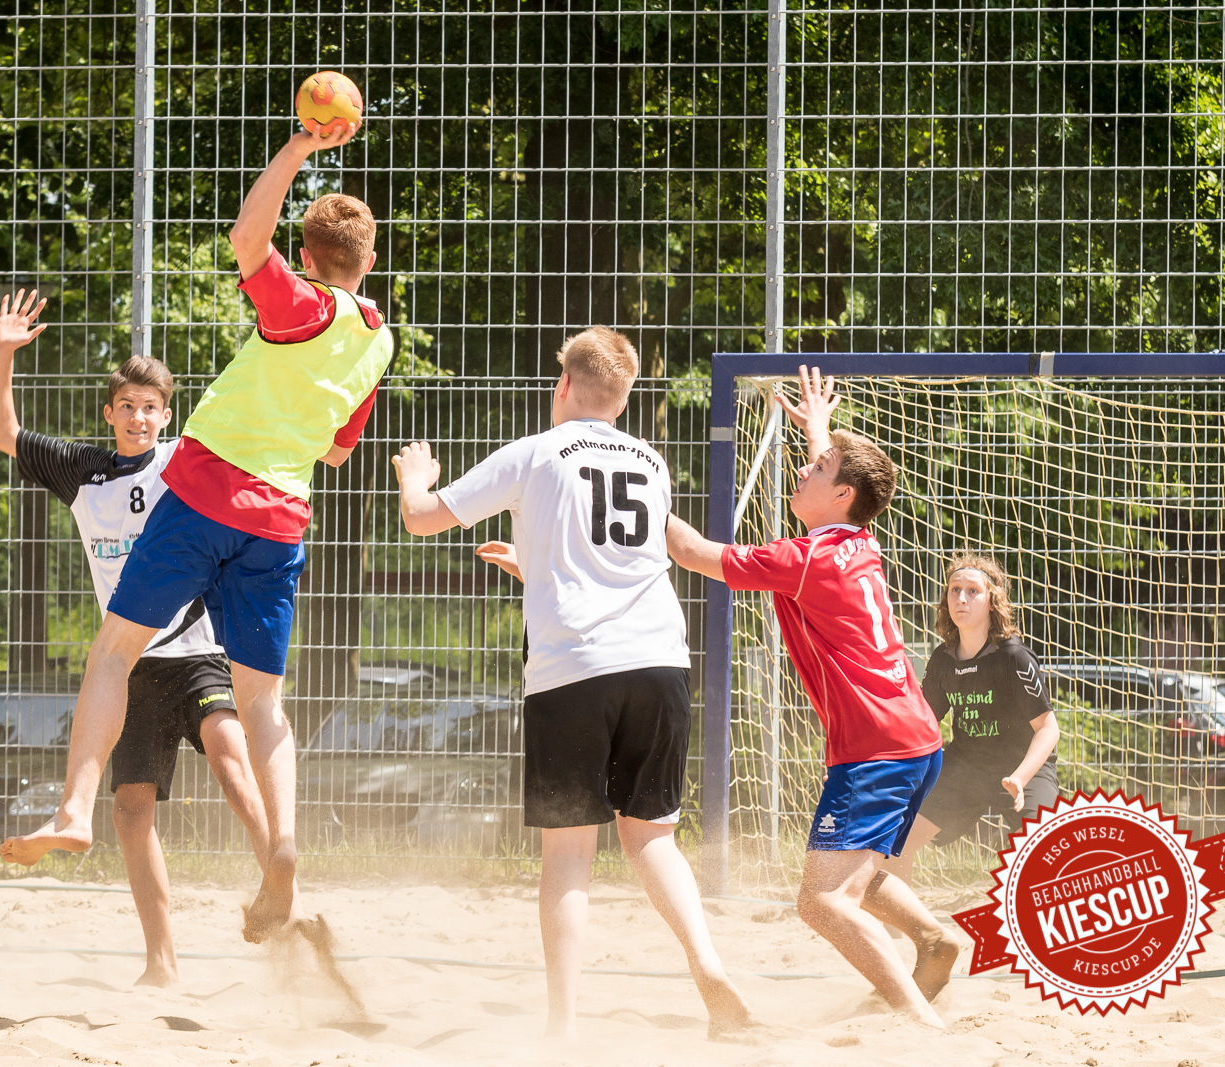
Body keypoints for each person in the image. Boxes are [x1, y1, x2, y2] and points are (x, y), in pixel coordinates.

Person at [0, 121, 392, 948]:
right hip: (283, 519)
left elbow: (249, 237)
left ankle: (74, 806)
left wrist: (299, 146)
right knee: (266, 704)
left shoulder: (305, 306)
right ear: (368, 263)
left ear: (313, 260)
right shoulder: (376, 337)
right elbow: (338, 447)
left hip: (210, 493)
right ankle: (282, 843)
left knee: (110, 650)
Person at [392, 327, 753, 1041]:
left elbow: (422, 519)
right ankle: (708, 962)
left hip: (574, 670)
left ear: (564, 385)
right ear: (623, 397)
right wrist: (538, 571)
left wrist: (414, 474)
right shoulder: (650, 461)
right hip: (659, 662)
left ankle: (562, 1025)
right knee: (654, 838)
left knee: (568, 851)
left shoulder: (536, 452)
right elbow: (617, 559)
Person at [0, 289, 272, 985]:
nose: (139, 416)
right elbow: (1, 433)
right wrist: (3, 354)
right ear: (109, 413)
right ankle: (161, 962)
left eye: (151, 406)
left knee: (233, 762)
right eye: (128, 406)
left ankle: (279, 877)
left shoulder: (187, 462)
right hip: (131, 666)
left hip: (197, 650)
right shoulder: (84, 470)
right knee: (131, 808)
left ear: (166, 415)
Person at [665, 366, 957, 1029]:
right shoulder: (857, 541)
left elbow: (689, 550)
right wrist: (820, 431)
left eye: (814, 466)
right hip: (913, 738)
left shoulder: (805, 558)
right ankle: (935, 941)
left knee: (822, 901)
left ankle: (919, 1021)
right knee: (854, 875)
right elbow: (834, 485)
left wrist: (629, 482)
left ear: (843, 490)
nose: (802, 471)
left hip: (874, 747)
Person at [881, 554, 1060, 884]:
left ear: (992, 600)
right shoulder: (942, 659)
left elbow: (1048, 729)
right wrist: (871, 766)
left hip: (1023, 769)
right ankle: (899, 928)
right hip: (967, 767)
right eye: (954, 590)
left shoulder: (1013, 656)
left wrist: (1019, 778)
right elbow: (919, 727)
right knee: (893, 845)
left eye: (973, 591)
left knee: (1048, 858)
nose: (961, 598)